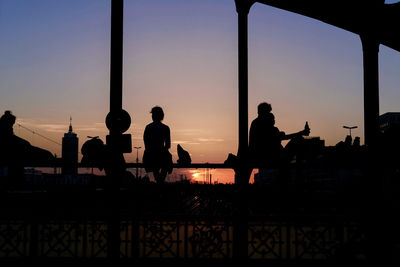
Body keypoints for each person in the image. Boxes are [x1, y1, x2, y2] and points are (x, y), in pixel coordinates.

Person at [249, 102, 310, 168]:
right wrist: (301, 133)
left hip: (267, 156)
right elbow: (281, 137)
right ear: (263, 112)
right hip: (270, 157)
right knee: (298, 140)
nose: (269, 113)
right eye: (268, 112)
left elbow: (277, 136)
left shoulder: (256, 123)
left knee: (298, 140)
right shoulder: (262, 124)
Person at [143, 106, 173, 184]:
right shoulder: (166, 128)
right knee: (166, 164)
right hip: (162, 156)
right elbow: (168, 145)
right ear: (162, 116)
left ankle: (158, 183)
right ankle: (160, 183)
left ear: (153, 116)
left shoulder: (148, 127)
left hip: (150, 156)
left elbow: (146, 143)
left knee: (156, 172)